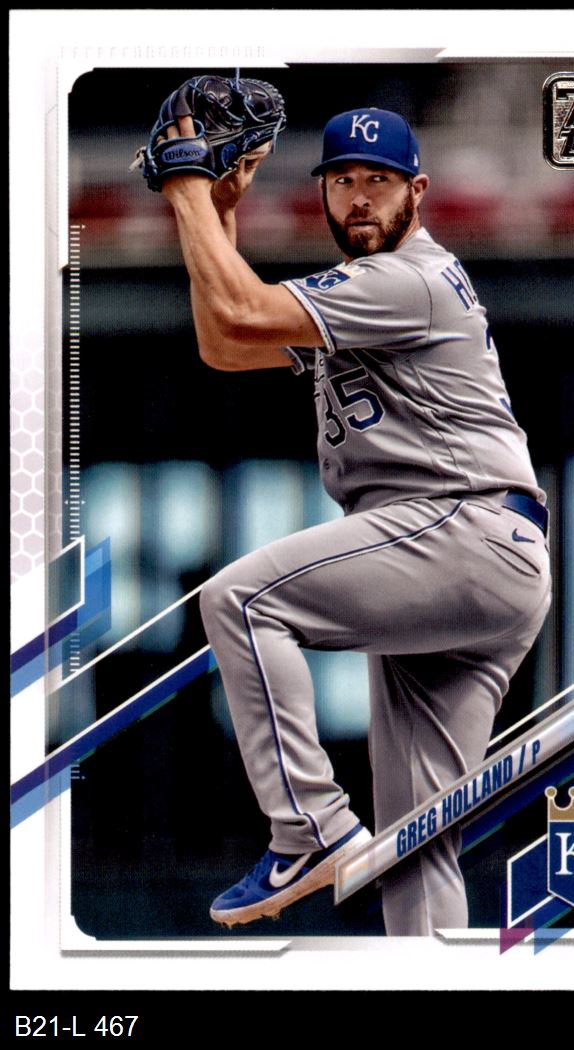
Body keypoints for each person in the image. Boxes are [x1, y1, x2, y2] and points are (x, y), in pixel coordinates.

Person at [160, 107, 552, 936]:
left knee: (241, 600)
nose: (361, 197)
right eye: (343, 180)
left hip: (460, 527)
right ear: (325, 194)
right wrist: (217, 210)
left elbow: (244, 312)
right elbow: (224, 342)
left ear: (418, 192)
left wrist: (186, 183)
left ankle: (310, 829)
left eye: (380, 180)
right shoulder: (365, 292)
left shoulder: (406, 279)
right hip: (473, 558)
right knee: (417, 849)